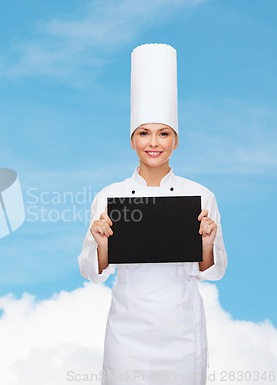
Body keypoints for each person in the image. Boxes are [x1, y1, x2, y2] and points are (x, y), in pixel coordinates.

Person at [77, 44, 228, 385]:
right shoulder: (110, 195)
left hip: (182, 328)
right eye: (144, 133)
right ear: (132, 141)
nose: (153, 142)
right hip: (128, 329)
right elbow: (93, 273)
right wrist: (102, 243)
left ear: (177, 141)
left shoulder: (201, 195)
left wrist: (207, 241)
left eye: (164, 133)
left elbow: (214, 271)